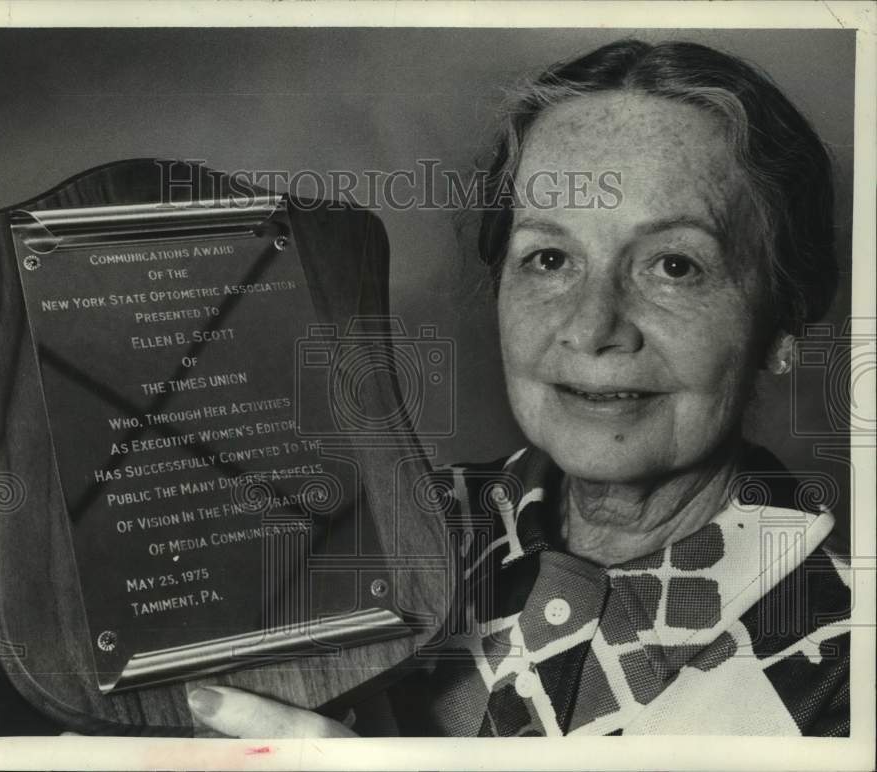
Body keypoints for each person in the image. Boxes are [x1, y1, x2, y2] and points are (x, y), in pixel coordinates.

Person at [187, 39, 851, 737]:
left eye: (675, 266)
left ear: (783, 327)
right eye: (551, 258)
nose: (594, 327)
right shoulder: (370, 535)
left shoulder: (842, 659)